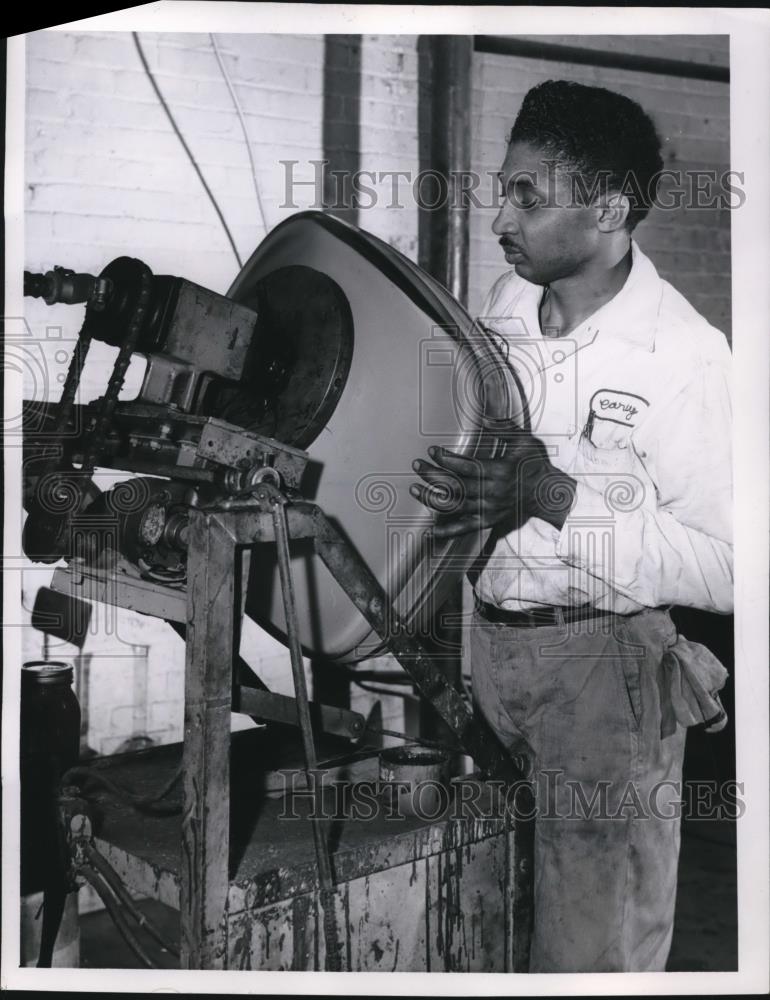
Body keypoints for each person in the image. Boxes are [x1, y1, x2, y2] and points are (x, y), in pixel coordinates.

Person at [410, 80, 733, 973]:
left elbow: (732, 567)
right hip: (493, 654)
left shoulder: (688, 358)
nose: (498, 219)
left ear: (610, 208)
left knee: (592, 950)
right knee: (496, 922)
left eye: (527, 196)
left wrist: (552, 496)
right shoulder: (506, 307)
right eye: (500, 191)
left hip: (606, 674)